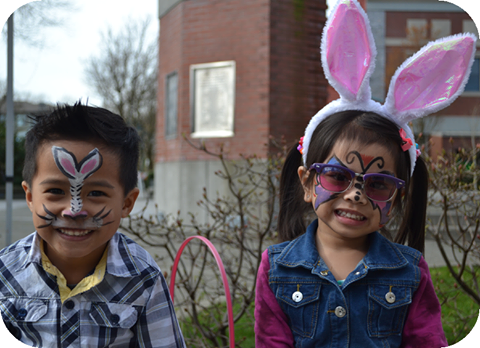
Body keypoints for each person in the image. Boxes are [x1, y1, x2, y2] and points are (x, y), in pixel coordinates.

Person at [254, 0, 477, 347]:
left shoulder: (410, 272)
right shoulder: (277, 268)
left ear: (397, 197)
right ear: (308, 182)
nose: (355, 195)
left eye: (378, 184)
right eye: (337, 176)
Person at [0, 102, 186, 347]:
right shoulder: (5, 272)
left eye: (96, 193)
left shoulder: (142, 279)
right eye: (56, 191)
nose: (74, 211)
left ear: (127, 203)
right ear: (31, 197)